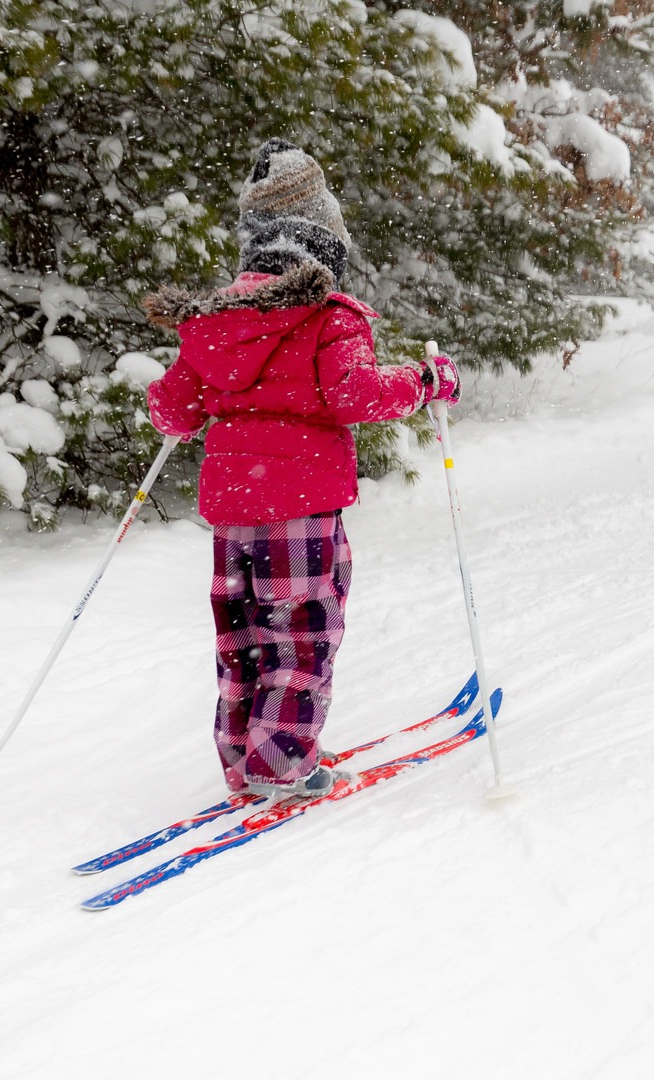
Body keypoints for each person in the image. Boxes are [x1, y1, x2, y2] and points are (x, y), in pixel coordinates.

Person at [143, 139, 461, 799]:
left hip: (232, 509)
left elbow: (173, 412)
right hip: (301, 507)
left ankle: (246, 756)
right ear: (324, 244)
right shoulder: (328, 317)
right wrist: (427, 382)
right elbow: (354, 394)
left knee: (245, 638)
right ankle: (282, 763)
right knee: (302, 630)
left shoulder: (214, 323)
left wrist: (188, 395)